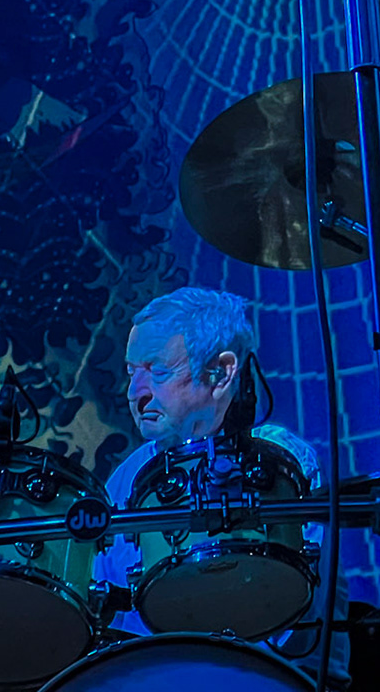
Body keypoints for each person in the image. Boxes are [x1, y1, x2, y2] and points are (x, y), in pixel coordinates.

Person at [102, 288, 342, 678]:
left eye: (157, 371)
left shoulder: (281, 461)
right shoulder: (127, 477)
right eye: (132, 372)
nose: (135, 393)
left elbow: (279, 618)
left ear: (221, 373)